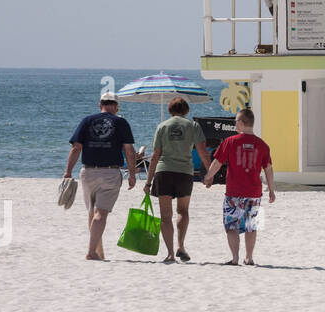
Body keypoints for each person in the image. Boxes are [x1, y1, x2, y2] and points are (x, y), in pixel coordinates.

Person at [65, 93, 138, 261]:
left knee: (92, 213)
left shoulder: (87, 120)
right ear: (117, 106)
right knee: (101, 214)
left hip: (88, 172)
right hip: (110, 173)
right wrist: (132, 174)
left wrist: (68, 171)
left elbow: (76, 148)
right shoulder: (121, 122)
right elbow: (129, 150)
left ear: (100, 105)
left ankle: (98, 252)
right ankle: (92, 252)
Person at [144, 98, 211, 263]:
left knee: (165, 215)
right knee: (183, 211)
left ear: (170, 110)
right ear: (186, 110)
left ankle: (170, 253)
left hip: (163, 172)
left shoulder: (162, 126)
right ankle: (181, 245)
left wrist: (148, 181)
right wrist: (210, 172)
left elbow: (154, 156)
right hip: (184, 173)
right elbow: (202, 151)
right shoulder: (193, 126)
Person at [205, 107, 274, 266]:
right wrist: (271, 190)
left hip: (234, 193)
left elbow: (217, 163)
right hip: (254, 193)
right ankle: (249, 257)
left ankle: (235, 258)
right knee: (251, 225)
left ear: (242, 123)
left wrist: (208, 176)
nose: (234, 123)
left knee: (231, 226)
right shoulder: (263, 145)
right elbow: (268, 169)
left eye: (236, 121)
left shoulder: (230, 142)